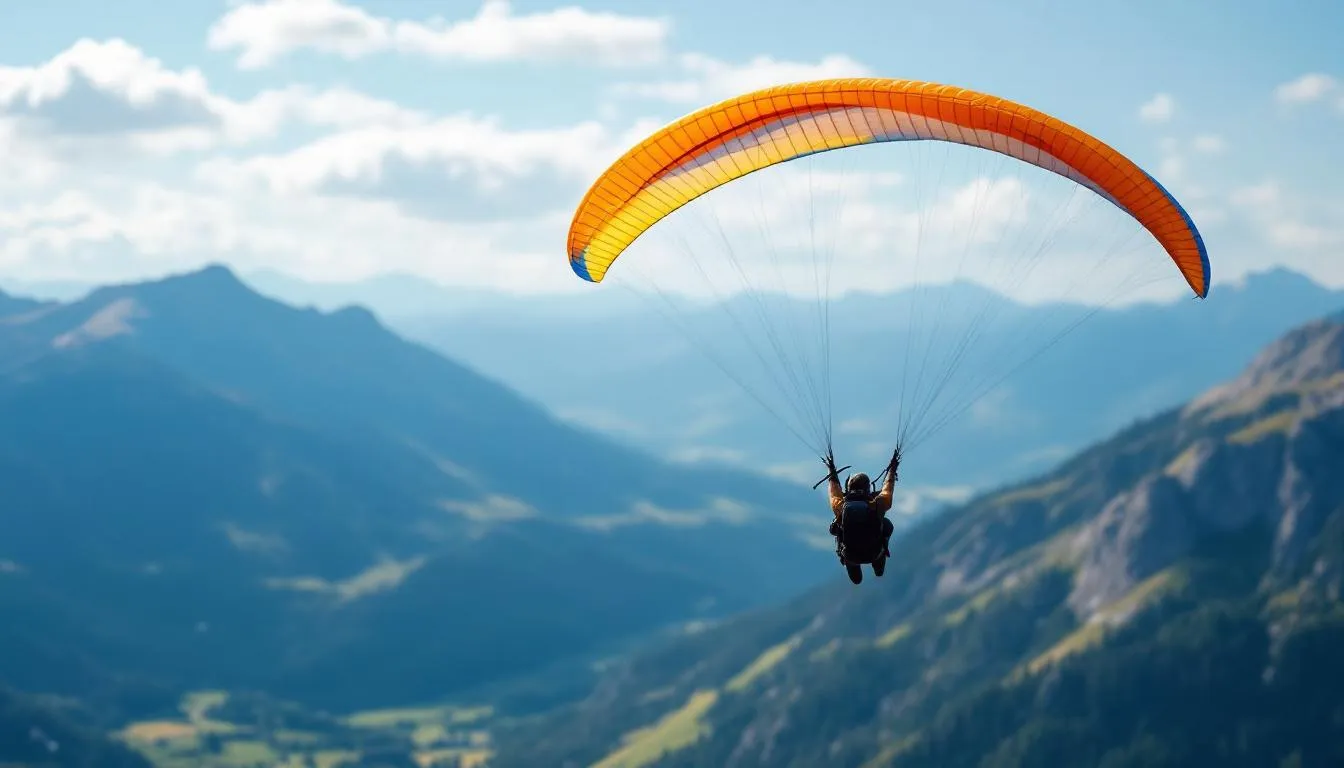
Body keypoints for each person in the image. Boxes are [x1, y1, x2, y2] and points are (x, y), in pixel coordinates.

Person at [825, 448, 900, 585]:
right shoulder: (878, 504)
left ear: (848, 489)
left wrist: (831, 470)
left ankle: (852, 570)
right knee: (887, 524)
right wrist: (892, 469)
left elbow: (834, 491)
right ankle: (880, 560)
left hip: (851, 556)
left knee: (856, 580)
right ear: (867, 489)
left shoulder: (841, 507)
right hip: (874, 553)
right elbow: (887, 489)